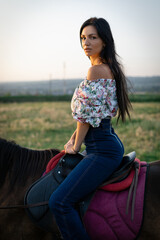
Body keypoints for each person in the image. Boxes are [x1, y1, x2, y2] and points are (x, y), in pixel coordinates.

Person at [49, 17, 132, 240]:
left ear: (104, 41)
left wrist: (76, 145)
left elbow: (85, 116)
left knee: (59, 202)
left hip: (102, 150)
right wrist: (72, 138)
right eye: (83, 38)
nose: (86, 42)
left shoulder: (95, 71)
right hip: (106, 142)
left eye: (92, 37)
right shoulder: (107, 67)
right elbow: (93, 114)